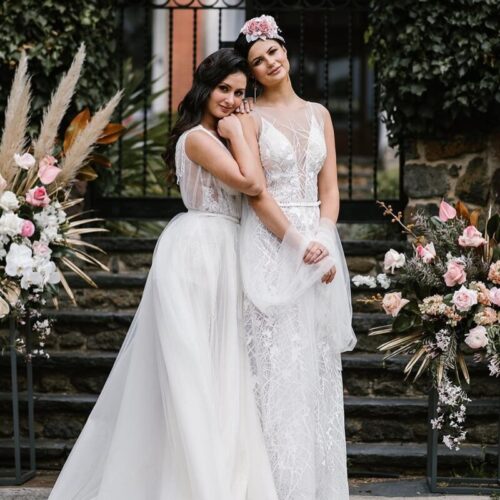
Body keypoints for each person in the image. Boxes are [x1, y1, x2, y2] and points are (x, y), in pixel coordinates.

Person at [48, 48, 278, 500]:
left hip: (226, 251)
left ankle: (217, 467)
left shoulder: (222, 136)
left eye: (240, 93)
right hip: (196, 251)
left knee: (221, 364)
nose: (232, 100)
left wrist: (237, 132)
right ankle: (193, 481)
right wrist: (240, 130)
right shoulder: (197, 138)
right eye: (224, 89)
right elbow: (253, 184)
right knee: (188, 365)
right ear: (205, 87)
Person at [233, 15, 357, 500]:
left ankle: (318, 486)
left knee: (316, 365)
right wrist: (296, 244)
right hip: (273, 243)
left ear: (286, 51)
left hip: (319, 241)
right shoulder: (248, 119)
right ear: (252, 72)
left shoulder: (319, 112)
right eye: (258, 61)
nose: (270, 62)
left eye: (273, 52)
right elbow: (256, 194)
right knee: (278, 367)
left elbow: (330, 188)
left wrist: (324, 237)